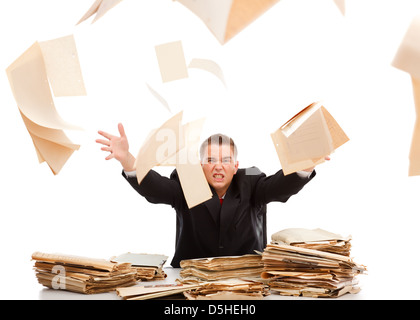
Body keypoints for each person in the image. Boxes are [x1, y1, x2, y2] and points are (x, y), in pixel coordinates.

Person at [96, 123, 324, 267]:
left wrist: (306, 165)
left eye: (225, 161)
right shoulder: (187, 180)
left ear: (235, 166)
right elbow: (156, 189)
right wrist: (127, 159)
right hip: (191, 279)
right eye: (211, 160)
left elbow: (280, 185)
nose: (218, 166)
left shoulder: (252, 181)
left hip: (246, 278)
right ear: (200, 164)